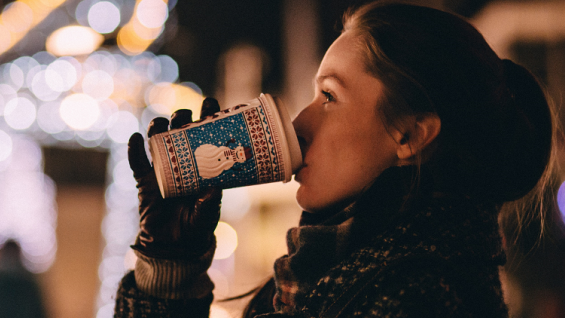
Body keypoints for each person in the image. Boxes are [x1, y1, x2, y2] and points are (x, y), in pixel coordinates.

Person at [114, 1, 560, 317]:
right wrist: (171, 267)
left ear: (409, 134)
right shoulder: (328, 273)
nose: (301, 123)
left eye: (329, 95)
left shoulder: (418, 298)